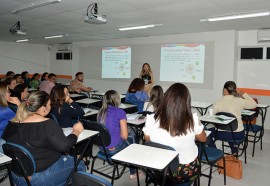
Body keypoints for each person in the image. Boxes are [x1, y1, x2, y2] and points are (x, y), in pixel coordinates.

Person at [2, 91, 86, 185]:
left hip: (16, 175)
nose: (51, 106)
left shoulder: (12, 123)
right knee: (80, 164)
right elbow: (64, 146)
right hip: (39, 178)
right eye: (49, 104)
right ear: (43, 108)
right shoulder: (47, 124)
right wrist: (76, 131)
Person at [143, 83, 206, 184]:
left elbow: (148, 141)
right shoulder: (192, 120)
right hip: (184, 172)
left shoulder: (151, 119)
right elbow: (203, 139)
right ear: (186, 102)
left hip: (159, 169)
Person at [97, 90, 143, 179]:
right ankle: (133, 172)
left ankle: (129, 162)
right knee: (133, 139)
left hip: (102, 148)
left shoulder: (100, 112)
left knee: (129, 136)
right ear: (117, 99)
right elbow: (125, 136)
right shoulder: (120, 112)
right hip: (112, 149)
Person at [208, 81, 257, 154]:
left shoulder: (218, 102)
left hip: (222, 133)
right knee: (230, 127)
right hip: (238, 134)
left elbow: (212, 117)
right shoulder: (239, 101)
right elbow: (254, 104)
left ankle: (215, 152)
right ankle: (234, 151)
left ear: (225, 90)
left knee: (207, 133)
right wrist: (242, 93)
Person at [0, 82, 20, 152]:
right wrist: (19, 103)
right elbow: (21, 121)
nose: (10, 93)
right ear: (2, 94)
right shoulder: (5, 110)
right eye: (8, 91)